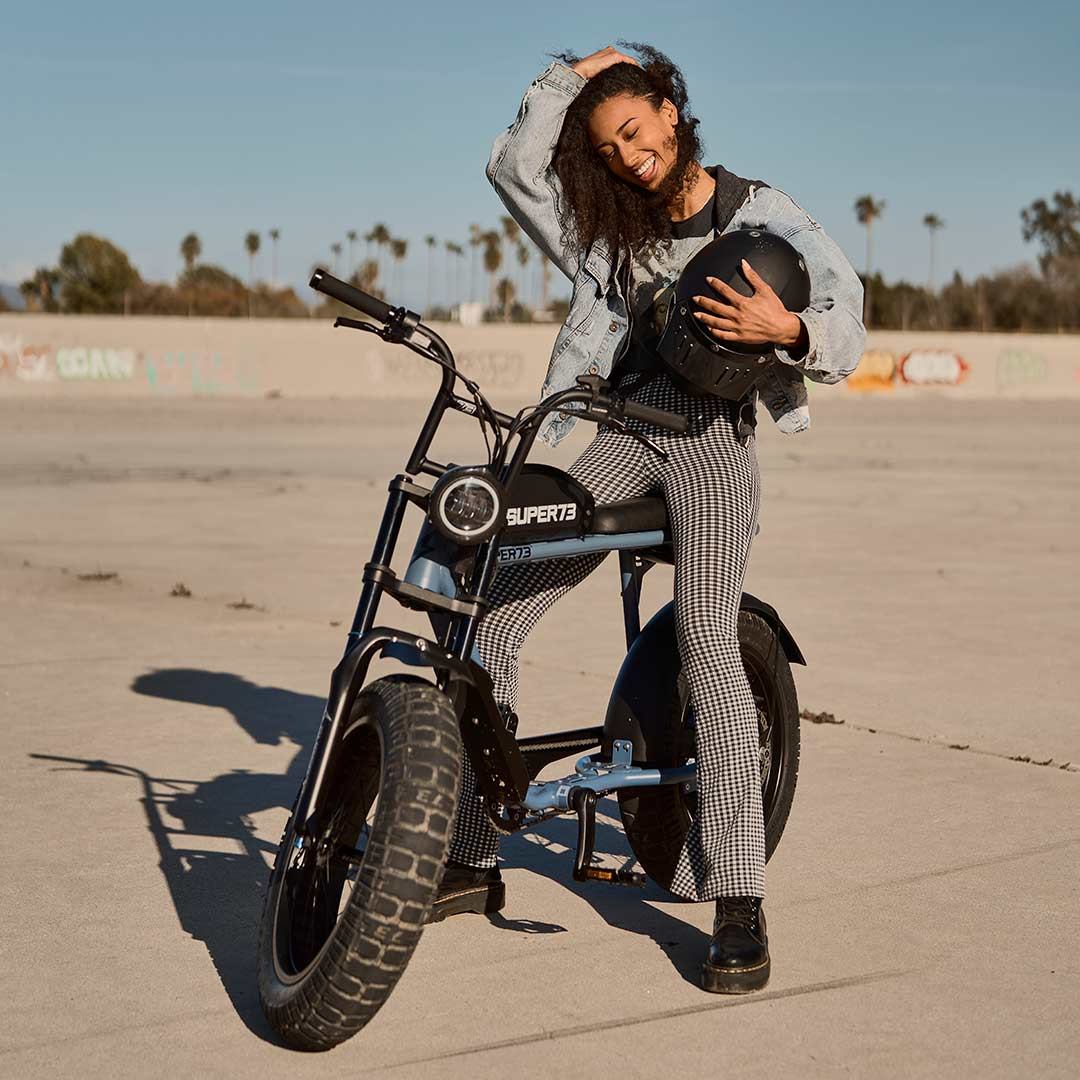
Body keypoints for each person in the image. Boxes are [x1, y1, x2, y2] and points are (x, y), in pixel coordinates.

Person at [431, 43, 865, 994]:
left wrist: (787, 331)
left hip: (712, 439)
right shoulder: (604, 226)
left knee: (708, 635)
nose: (628, 156)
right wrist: (572, 73)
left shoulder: (760, 211)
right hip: (620, 432)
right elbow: (510, 165)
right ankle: (469, 856)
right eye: (608, 144)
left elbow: (849, 316)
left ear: (672, 112)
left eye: (635, 130)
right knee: (495, 612)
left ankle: (740, 900)